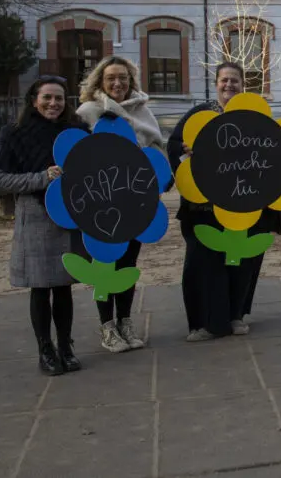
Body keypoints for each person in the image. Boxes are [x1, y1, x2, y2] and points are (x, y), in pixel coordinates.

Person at [167, 62, 281, 341]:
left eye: (235, 81)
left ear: (243, 85)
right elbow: (174, 145)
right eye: (224, 80)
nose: (229, 85)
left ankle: (235, 315)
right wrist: (187, 153)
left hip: (245, 203)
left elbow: (274, 150)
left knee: (241, 261)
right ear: (215, 83)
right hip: (205, 208)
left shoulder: (255, 115)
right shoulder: (200, 114)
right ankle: (202, 323)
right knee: (202, 263)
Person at [0, 76, 88, 375]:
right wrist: (41, 178)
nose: (53, 103)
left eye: (59, 98)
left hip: (70, 216)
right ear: (34, 99)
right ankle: (45, 349)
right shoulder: (15, 133)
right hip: (36, 214)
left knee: (64, 286)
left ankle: (66, 347)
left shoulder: (77, 131)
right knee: (41, 287)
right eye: (47, 97)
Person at [77, 56, 164, 353]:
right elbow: (77, 157)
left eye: (124, 78)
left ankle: (125, 321)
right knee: (105, 264)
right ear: (100, 81)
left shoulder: (144, 113)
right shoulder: (88, 112)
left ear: (131, 81)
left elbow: (155, 153)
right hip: (99, 204)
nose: (118, 83)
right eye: (111, 77)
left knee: (127, 264)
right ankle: (107, 328)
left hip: (134, 204)